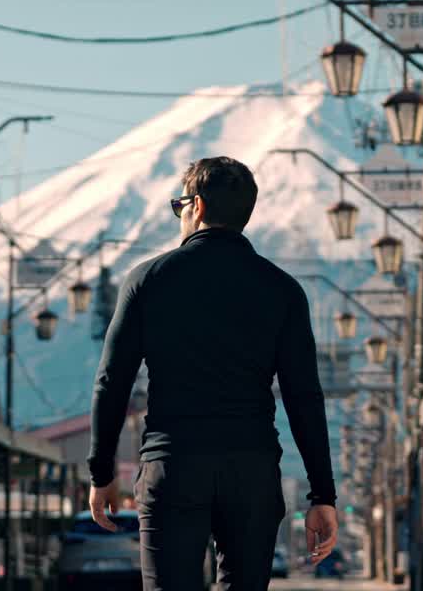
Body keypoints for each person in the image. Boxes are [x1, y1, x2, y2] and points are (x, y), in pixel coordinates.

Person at [87, 156, 338, 591]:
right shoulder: (282, 290)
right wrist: (323, 495)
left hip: (173, 463)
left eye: (179, 205)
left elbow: (112, 382)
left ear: (196, 206)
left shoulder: (148, 280)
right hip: (252, 469)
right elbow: (304, 397)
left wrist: (101, 472)